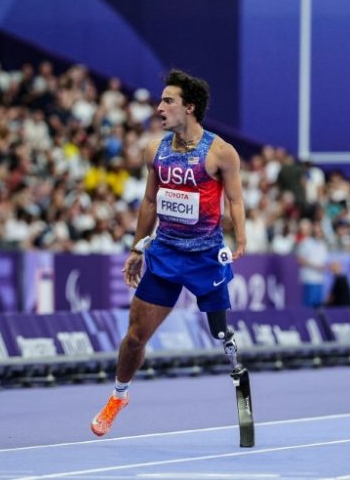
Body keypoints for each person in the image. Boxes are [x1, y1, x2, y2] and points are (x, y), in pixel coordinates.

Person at [90, 69, 247, 437]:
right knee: (134, 337)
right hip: (164, 254)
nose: (159, 107)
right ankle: (118, 396)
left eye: (168, 101)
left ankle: (236, 363)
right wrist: (137, 247)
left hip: (206, 256)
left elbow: (236, 200)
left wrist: (241, 238)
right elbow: (148, 201)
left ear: (189, 108)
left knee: (220, 334)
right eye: (160, 100)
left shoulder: (221, 152)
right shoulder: (154, 149)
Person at [296, 219, 329, 308]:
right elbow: (300, 260)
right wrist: (315, 266)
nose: (318, 232)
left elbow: (325, 261)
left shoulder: (323, 245)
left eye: (319, 230)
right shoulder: (305, 243)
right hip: (309, 279)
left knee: (319, 306)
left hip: (320, 280)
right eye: (316, 230)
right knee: (308, 306)